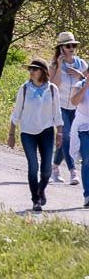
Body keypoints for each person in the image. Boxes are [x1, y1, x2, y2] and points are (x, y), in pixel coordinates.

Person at [7, 59, 63, 213]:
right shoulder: (24, 89)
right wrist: (11, 134)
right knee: (33, 166)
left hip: (46, 131)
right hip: (27, 132)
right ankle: (36, 199)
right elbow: (16, 113)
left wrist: (60, 132)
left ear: (43, 72)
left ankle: (41, 188)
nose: (31, 71)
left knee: (46, 169)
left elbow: (57, 113)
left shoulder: (52, 90)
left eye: (35, 69)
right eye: (30, 69)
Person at [50, 31, 85, 186]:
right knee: (67, 137)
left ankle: (55, 167)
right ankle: (73, 172)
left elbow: (87, 82)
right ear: (61, 48)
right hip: (60, 106)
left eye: (73, 45)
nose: (71, 48)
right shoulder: (54, 65)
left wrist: (81, 76)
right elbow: (54, 86)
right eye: (68, 45)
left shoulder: (82, 64)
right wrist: (58, 68)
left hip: (77, 107)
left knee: (67, 139)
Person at [69, 68, 89, 208]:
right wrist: (86, 85)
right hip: (83, 126)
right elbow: (74, 102)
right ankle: (87, 195)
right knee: (87, 159)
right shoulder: (80, 85)